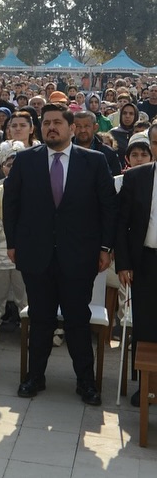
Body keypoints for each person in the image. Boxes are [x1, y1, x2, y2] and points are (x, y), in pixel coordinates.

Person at [4, 102, 116, 405]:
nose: (51, 127)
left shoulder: (93, 161)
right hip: (35, 256)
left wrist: (105, 247)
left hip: (79, 257)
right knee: (40, 319)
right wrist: (12, 244)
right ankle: (34, 378)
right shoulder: (26, 161)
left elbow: (108, 208)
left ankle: (86, 383)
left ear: (71, 128)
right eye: (46, 123)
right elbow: (11, 205)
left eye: (57, 122)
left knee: (78, 321)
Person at [115, 124, 157, 407]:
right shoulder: (138, 177)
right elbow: (122, 224)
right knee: (146, 326)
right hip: (146, 261)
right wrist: (124, 263)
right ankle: (146, 387)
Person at [0, 141, 27, 341]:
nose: (11, 168)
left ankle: (29, 327)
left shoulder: (32, 189)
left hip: (24, 249)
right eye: (8, 164)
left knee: (25, 295)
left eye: (16, 164)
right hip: (1, 249)